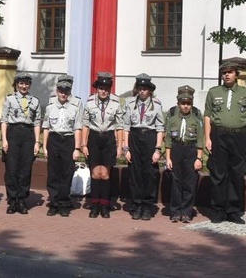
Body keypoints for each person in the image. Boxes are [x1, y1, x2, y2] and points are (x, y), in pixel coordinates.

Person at [204, 60, 246, 224]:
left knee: (236, 173)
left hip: (239, 136)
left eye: (230, 72)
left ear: (236, 74)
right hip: (219, 135)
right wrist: (207, 137)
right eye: (224, 72)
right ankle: (218, 210)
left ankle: (233, 210)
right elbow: (207, 116)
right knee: (218, 174)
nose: (226, 75)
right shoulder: (213, 92)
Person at [80, 72, 123, 219]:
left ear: (109, 89)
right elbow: (85, 124)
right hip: (94, 138)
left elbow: (119, 126)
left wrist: (119, 146)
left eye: (106, 88)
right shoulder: (90, 103)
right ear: (96, 89)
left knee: (104, 174)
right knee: (95, 174)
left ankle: (104, 205)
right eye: (100, 88)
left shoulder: (116, 104)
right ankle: (94, 205)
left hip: (108, 139)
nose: (103, 91)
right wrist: (83, 144)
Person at [122, 73, 164, 221]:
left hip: (149, 137)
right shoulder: (129, 103)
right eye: (139, 88)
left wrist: (158, 149)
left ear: (150, 90)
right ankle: (136, 205)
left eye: (145, 89)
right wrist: (125, 148)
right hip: (134, 137)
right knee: (135, 173)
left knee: (149, 174)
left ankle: (147, 206)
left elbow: (160, 128)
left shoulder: (156, 104)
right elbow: (126, 126)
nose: (142, 91)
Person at [1, 72, 41, 215]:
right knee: (11, 168)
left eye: (26, 84)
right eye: (21, 83)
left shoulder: (35, 101)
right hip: (13, 133)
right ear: (17, 85)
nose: (24, 86)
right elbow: (4, 120)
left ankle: (22, 199)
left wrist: (37, 142)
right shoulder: (10, 99)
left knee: (25, 168)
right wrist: (4, 140)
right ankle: (12, 200)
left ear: (29, 85)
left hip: (28, 135)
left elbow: (37, 123)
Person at [42, 79, 82, 217]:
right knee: (53, 173)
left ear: (69, 92)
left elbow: (77, 128)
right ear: (57, 91)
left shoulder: (75, 107)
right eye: (61, 91)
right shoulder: (50, 106)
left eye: (66, 91)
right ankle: (53, 203)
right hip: (54, 140)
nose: (63, 94)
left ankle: (64, 203)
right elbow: (46, 127)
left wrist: (77, 148)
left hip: (68, 141)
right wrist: (45, 146)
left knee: (66, 173)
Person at [164, 85, 204, 223]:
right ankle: (175, 211)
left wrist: (199, 157)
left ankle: (187, 212)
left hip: (191, 149)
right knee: (176, 181)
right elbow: (168, 138)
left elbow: (200, 138)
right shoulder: (172, 115)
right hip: (176, 149)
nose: (186, 106)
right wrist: (168, 158)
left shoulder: (197, 115)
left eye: (188, 104)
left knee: (190, 181)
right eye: (183, 103)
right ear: (178, 103)